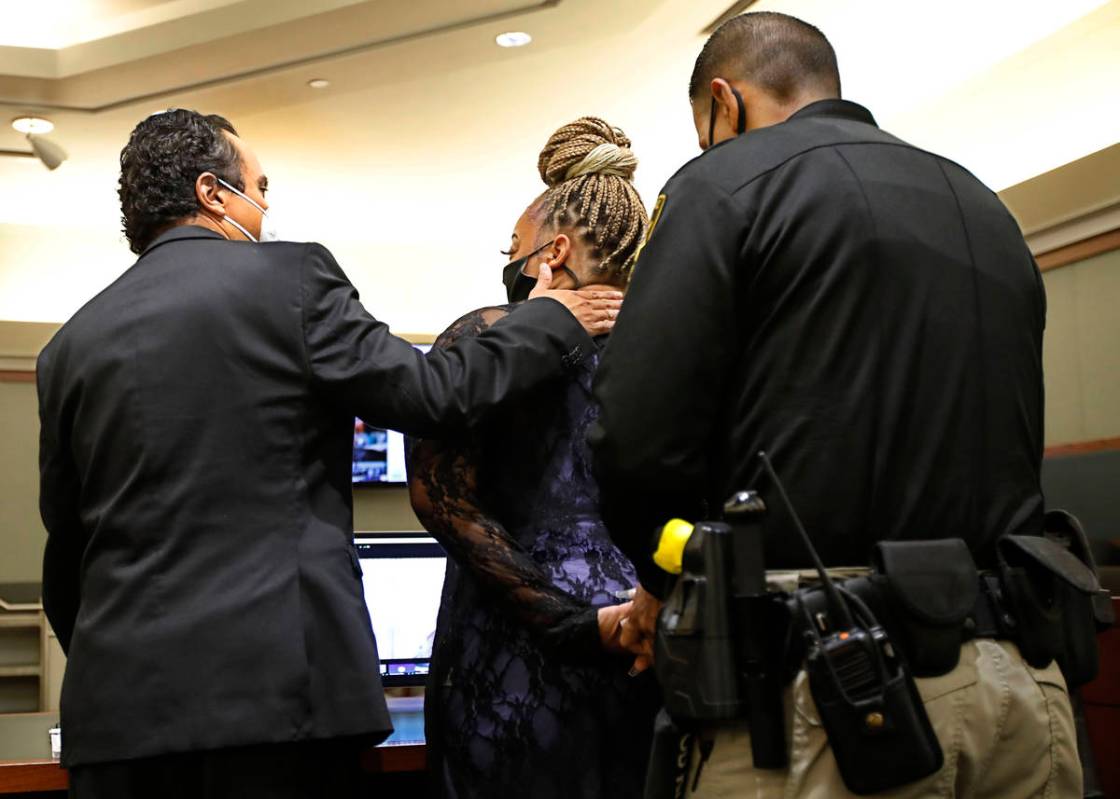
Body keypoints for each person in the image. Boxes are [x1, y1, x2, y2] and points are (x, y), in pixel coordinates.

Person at [36, 109, 623, 799]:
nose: (266, 208)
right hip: (280, 707)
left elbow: (68, 553)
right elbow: (432, 394)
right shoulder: (291, 281)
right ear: (212, 192)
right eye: (258, 186)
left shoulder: (68, 348)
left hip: (120, 724)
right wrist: (553, 312)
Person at [589, 12, 1081, 798]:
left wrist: (658, 577)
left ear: (725, 103)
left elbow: (635, 442)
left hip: (834, 692)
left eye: (706, 131)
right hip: (1024, 682)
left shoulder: (722, 183)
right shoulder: (985, 207)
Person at [406, 117, 660, 799]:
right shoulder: (667, 345)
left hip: (510, 656)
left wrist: (570, 623)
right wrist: (641, 609)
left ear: (554, 251)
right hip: (646, 636)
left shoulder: (482, 334)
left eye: (513, 246)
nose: (508, 258)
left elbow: (443, 502)